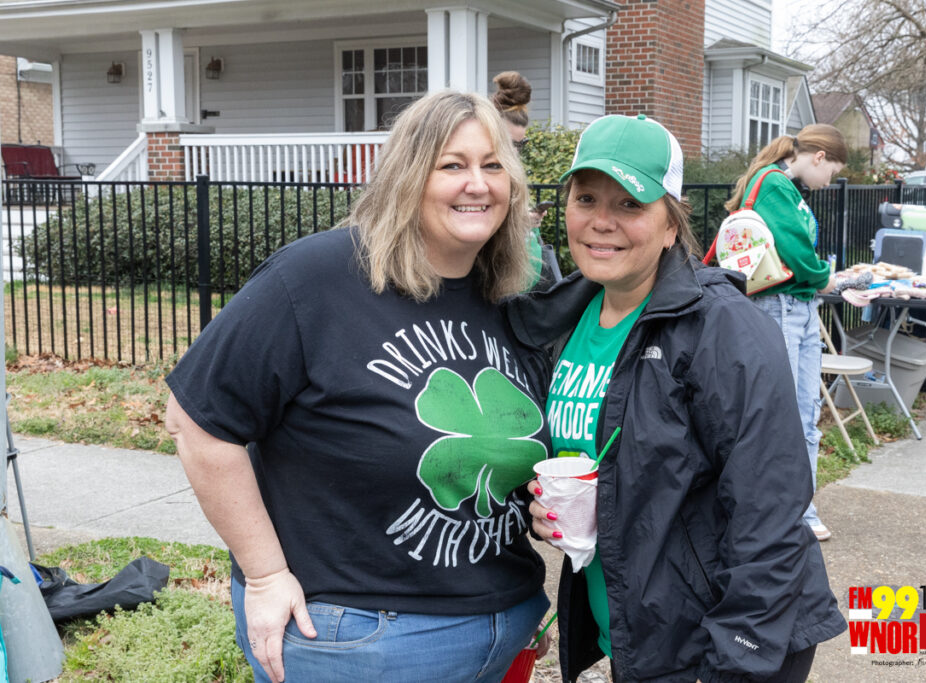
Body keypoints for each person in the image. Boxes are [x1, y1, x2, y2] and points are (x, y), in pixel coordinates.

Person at [164, 91, 551, 683]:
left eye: (493, 165)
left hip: (503, 628)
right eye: (452, 165)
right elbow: (196, 422)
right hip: (361, 638)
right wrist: (265, 575)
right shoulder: (316, 278)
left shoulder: (510, 294)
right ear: (407, 176)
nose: (478, 184)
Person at [508, 114, 846, 682]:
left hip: (718, 644)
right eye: (586, 198)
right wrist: (545, 508)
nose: (601, 221)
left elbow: (771, 515)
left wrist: (734, 659)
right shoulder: (569, 316)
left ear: (671, 223)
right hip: (641, 635)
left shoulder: (723, 327)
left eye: (630, 204)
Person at [724, 124, 845, 542]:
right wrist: (826, 278)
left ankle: (796, 510)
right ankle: (788, 512)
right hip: (781, 306)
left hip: (795, 306)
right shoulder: (775, 184)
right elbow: (794, 248)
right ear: (818, 157)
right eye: (831, 172)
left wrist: (820, 279)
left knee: (803, 414)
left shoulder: (780, 184)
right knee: (789, 416)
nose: (828, 181)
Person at [491, 70, 562, 289]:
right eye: (509, 143)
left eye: (521, 144)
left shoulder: (511, 173)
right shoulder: (482, 178)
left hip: (524, 285)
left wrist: (527, 220)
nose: (515, 151)